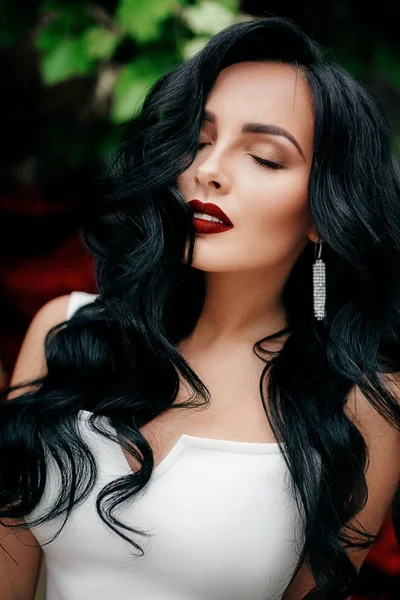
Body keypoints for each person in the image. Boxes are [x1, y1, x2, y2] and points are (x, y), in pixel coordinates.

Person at [1, 16, 400, 600]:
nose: (208, 171)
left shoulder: (366, 402)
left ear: (322, 213)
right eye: (200, 139)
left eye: (263, 156)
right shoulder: (66, 333)